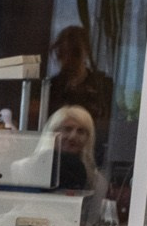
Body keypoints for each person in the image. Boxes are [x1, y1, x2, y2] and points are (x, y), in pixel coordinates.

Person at [47, 24, 113, 157]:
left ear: (86, 52)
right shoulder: (51, 87)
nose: (69, 59)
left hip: (94, 151)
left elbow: (109, 125)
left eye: (75, 53)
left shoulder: (102, 86)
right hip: (57, 153)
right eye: (62, 53)